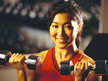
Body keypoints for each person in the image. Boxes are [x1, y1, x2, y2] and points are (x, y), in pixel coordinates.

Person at [9, 0, 102, 81]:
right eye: (55, 26)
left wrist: (79, 78)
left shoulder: (91, 68)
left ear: (79, 27)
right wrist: (20, 71)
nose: (60, 33)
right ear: (49, 27)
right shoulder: (36, 61)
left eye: (67, 27)